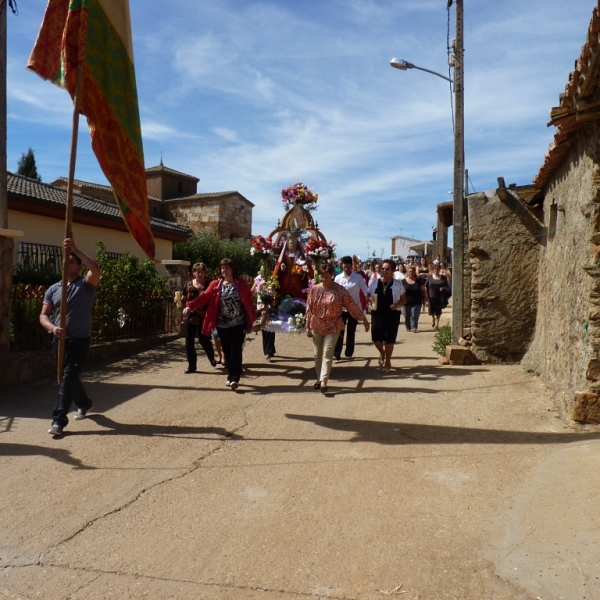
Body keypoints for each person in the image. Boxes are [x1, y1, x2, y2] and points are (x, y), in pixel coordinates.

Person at [40, 238, 100, 436]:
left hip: (79, 340)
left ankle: (58, 421)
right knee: (68, 377)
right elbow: (43, 315)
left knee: (67, 378)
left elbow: (96, 269)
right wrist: (52, 328)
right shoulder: (54, 289)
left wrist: (76, 249)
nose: (67, 263)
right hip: (59, 340)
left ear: (79, 266)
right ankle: (84, 403)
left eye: (71, 261)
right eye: (66, 260)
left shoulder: (86, 284)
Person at [184, 258, 256, 390]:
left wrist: (251, 316)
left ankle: (234, 378)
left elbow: (249, 299)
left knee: (236, 349)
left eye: (226, 268)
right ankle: (232, 373)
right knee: (227, 351)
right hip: (222, 324)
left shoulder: (241, 283)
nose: (224, 270)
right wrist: (190, 306)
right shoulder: (216, 285)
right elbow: (204, 297)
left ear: (232, 269)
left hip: (238, 323)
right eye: (222, 268)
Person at [305, 262, 369, 393]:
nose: (324, 279)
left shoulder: (340, 290)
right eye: (322, 276)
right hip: (317, 325)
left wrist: (363, 318)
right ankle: (319, 378)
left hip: (333, 325)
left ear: (332, 276)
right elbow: (309, 308)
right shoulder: (314, 290)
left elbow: (351, 306)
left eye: (326, 276)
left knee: (327, 353)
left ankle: (323, 381)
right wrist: (307, 326)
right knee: (317, 354)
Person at [367, 259, 406, 372]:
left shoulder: (397, 284)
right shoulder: (375, 282)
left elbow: (404, 299)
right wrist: (368, 298)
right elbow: (368, 293)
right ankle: (382, 353)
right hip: (377, 314)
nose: (384, 270)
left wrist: (396, 305)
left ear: (392, 270)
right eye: (383, 268)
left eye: (387, 269)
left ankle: (388, 361)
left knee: (389, 339)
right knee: (376, 339)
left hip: (392, 314)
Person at [181, 262, 216, 373]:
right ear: (194, 273)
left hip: (204, 316)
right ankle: (192, 365)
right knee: (189, 341)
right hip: (190, 316)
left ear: (205, 273)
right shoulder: (188, 285)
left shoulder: (209, 285)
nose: (199, 274)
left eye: (202, 271)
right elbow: (183, 298)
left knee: (203, 339)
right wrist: (178, 301)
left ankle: (211, 357)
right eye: (197, 271)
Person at [333, 256, 370, 360]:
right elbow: (335, 293)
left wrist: (368, 297)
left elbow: (365, 290)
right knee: (340, 330)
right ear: (341, 266)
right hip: (342, 309)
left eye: (348, 267)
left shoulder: (358, 278)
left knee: (351, 330)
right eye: (344, 267)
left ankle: (349, 352)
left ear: (351, 266)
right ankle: (337, 353)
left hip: (354, 308)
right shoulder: (338, 278)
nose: (346, 269)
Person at [426, 263, 451, 329]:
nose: (436, 270)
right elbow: (426, 286)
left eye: (437, 269)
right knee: (431, 311)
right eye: (435, 269)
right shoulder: (430, 277)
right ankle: (433, 319)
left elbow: (447, 286)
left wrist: (443, 288)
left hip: (440, 296)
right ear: (433, 270)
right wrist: (426, 296)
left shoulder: (443, 278)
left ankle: (437, 324)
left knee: (438, 311)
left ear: (439, 270)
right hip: (431, 296)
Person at [402, 266, 426, 333]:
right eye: (409, 272)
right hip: (406, 301)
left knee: (414, 314)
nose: (411, 273)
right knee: (407, 315)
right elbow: (400, 291)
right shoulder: (403, 281)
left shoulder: (418, 281)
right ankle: (408, 327)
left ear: (414, 272)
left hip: (417, 301)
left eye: (412, 272)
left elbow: (423, 289)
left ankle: (413, 327)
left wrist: (425, 297)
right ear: (407, 272)